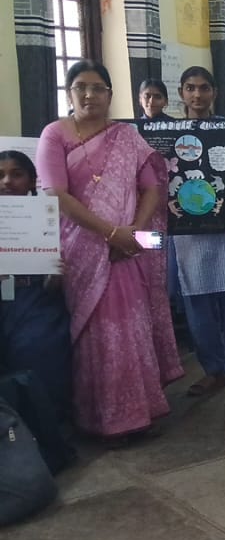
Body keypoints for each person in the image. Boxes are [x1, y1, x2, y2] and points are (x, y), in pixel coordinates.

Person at [35, 60, 182, 441]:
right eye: (80, 87)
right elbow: (55, 193)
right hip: (81, 249)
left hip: (130, 247)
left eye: (98, 88)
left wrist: (132, 233)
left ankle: (139, 412)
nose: (89, 94)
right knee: (96, 334)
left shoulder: (127, 137)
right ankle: (100, 419)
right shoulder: (55, 134)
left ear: (110, 94)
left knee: (131, 327)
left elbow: (153, 187)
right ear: (69, 93)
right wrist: (109, 233)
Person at [172, 66, 225, 399]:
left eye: (204, 88)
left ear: (214, 92)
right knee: (198, 301)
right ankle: (212, 370)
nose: (197, 95)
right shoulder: (168, 134)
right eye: (190, 88)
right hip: (188, 233)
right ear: (181, 92)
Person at [0, 149, 72, 417]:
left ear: (32, 181)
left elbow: (55, 282)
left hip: (37, 300)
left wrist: (56, 277)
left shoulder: (51, 220)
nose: (7, 182)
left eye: (16, 174)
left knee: (38, 347)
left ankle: (48, 425)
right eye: (0, 176)